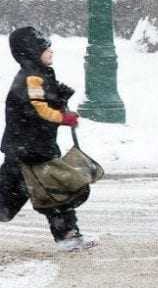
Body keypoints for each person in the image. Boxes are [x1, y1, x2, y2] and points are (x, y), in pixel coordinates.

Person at [0, 26, 97, 251]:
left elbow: (40, 104)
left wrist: (58, 98)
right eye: (45, 48)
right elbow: (37, 109)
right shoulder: (32, 78)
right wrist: (63, 117)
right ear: (32, 52)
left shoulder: (38, 74)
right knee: (54, 193)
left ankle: (69, 236)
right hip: (28, 150)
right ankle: (68, 237)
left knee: (37, 193)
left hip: (30, 148)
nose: (51, 51)